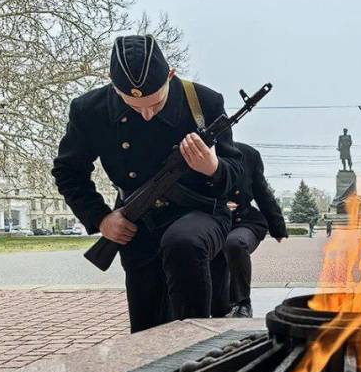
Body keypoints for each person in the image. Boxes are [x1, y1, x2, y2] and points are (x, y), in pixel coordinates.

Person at [52, 34, 243, 333]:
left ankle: (193, 345)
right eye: (133, 104)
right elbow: (68, 170)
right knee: (146, 325)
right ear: (112, 84)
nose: (146, 113)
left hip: (202, 211)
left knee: (182, 243)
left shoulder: (203, 101)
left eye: (155, 102)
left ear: (170, 74)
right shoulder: (89, 110)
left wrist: (213, 167)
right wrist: (101, 218)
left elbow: (238, 173)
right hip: (137, 218)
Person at [212, 142, 288, 318]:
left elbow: (262, 192)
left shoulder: (248, 154)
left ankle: (242, 303)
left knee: (235, 244)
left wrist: (277, 226)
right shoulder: (196, 152)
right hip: (210, 221)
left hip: (244, 220)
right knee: (217, 308)